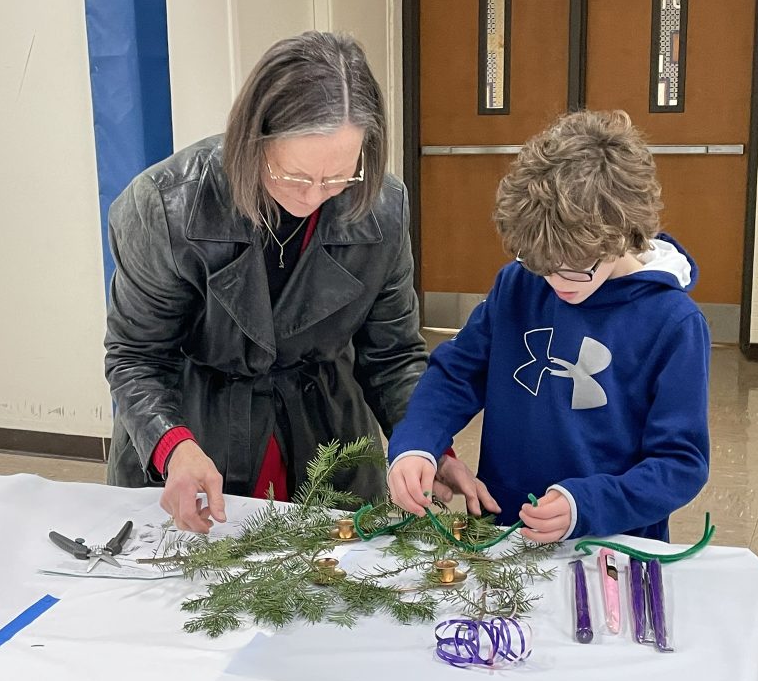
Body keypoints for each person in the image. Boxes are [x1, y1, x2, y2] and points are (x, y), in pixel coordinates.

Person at [104, 31, 486, 533]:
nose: (313, 197)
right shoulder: (166, 205)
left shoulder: (382, 207)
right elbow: (136, 357)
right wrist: (172, 445)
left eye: (338, 178)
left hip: (327, 439)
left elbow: (392, 357)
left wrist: (427, 439)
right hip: (195, 436)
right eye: (293, 175)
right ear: (252, 140)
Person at [386, 109, 710, 544]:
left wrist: (589, 505)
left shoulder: (673, 323)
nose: (557, 283)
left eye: (574, 269)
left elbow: (680, 462)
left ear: (624, 233)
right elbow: (456, 374)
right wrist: (416, 443)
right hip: (506, 529)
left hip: (612, 542)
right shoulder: (520, 284)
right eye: (542, 267)